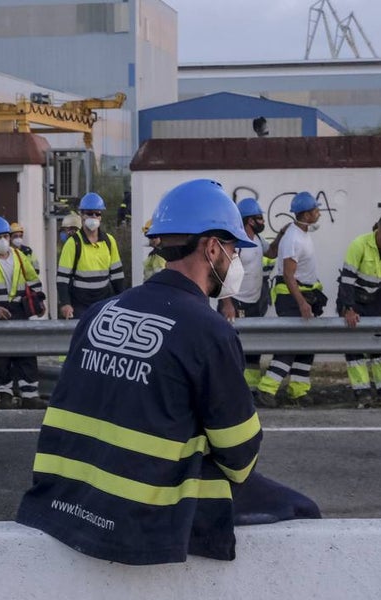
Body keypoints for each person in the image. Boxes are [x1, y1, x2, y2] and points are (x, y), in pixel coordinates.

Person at [16, 179, 320, 566]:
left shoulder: (99, 314)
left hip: (64, 504)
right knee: (303, 512)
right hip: (137, 516)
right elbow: (240, 460)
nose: (235, 260)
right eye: (232, 249)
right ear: (211, 248)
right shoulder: (209, 331)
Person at [255, 191, 326, 408]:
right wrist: (302, 302)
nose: (319, 214)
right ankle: (266, 389)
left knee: (306, 346)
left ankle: (298, 391)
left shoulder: (302, 233)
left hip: (304, 295)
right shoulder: (293, 238)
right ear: (305, 214)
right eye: (315, 210)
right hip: (291, 298)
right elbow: (288, 274)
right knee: (291, 344)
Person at [0, 216, 48, 409]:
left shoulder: (20, 257)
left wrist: (39, 302)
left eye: (5, 235)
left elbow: (34, 281)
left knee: (26, 353)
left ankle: (29, 395)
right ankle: (4, 394)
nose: (3, 240)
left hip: (19, 312)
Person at [338, 210, 381, 405]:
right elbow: (347, 280)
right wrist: (349, 308)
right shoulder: (359, 244)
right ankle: (362, 392)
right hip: (355, 298)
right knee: (355, 347)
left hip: (377, 297)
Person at [219, 198, 268, 388]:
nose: (262, 222)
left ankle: (251, 389)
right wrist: (227, 304)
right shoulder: (237, 243)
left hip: (254, 302)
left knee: (253, 350)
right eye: (259, 218)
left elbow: (270, 252)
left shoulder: (257, 240)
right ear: (249, 220)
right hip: (236, 303)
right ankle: (229, 387)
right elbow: (222, 273)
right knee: (232, 348)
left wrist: (281, 236)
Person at [56, 192, 124, 319]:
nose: (93, 217)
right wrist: (65, 303)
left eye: (97, 214)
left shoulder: (109, 241)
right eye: (89, 213)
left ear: (101, 217)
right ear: (81, 215)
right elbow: (62, 278)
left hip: (104, 302)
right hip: (80, 304)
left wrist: (122, 300)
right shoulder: (73, 243)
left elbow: (117, 275)